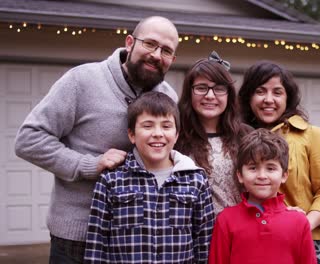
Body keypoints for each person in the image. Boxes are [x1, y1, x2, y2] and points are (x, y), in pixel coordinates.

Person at [14, 16, 179, 263]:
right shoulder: (82, 80)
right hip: (78, 237)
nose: (157, 55)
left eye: (166, 50)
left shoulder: (168, 96)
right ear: (130, 42)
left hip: (136, 239)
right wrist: (89, 165)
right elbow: (29, 140)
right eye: (150, 44)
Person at [84, 91, 214, 263]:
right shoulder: (111, 180)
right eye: (148, 126)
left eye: (166, 126)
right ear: (131, 134)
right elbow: (96, 243)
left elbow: (204, 243)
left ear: (176, 135)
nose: (158, 133)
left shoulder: (196, 180)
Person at [238, 61, 320, 264]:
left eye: (277, 92)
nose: (269, 100)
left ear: (288, 98)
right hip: (254, 245)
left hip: (308, 243)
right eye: (260, 91)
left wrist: (302, 225)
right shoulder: (237, 138)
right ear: (249, 97)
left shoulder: (311, 135)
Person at [208, 129, 317, 264]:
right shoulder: (225, 220)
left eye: (270, 168)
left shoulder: (299, 222)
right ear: (240, 175)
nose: (262, 176)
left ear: (284, 175)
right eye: (253, 168)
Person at [175, 51, 252, 215]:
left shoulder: (245, 135)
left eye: (218, 89)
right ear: (189, 93)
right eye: (201, 88)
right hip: (193, 234)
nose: (210, 95)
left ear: (228, 94)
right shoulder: (176, 137)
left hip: (239, 232)